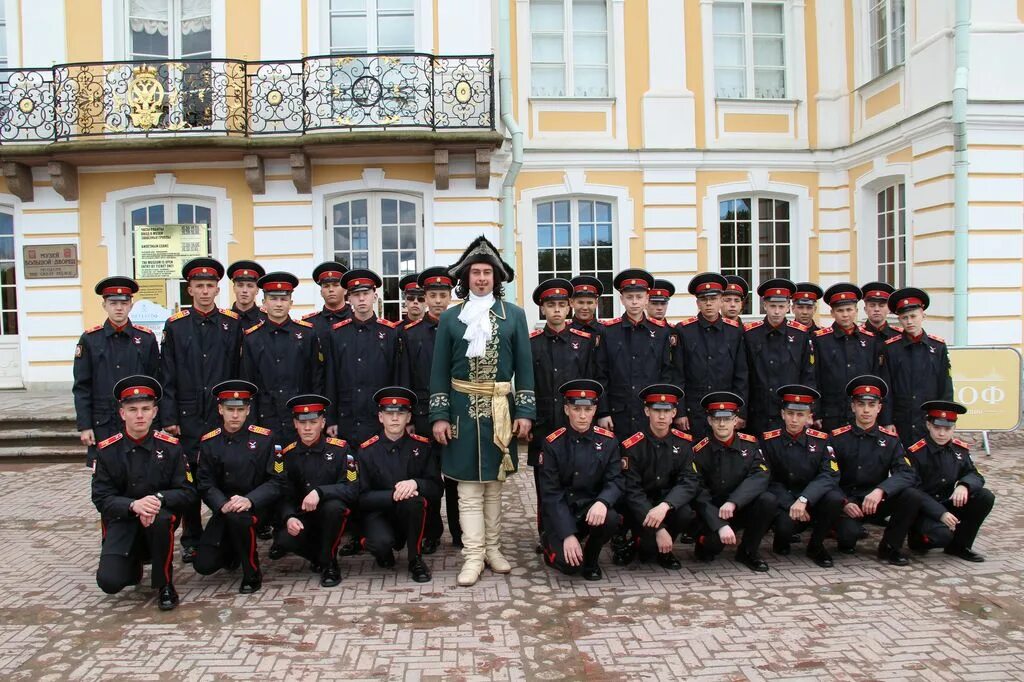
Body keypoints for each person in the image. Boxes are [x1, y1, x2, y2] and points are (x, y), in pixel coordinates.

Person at [428, 235, 536, 587]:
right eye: (475, 272)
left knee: (494, 487)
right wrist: (439, 415)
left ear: (497, 278)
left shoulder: (514, 316)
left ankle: (493, 549)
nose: (481, 278)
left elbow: (525, 368)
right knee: (468, 491)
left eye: (487, 273)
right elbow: (439, 371)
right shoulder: (451, 318)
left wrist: (524, 412)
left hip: (500, 411)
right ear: (466, 278)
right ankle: (472, 555)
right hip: (460, 411)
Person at [160, 257, 243, 563]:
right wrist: (168, 418)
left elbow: (238, 371)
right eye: (199, 286)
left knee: (224, 474)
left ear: (218, 289)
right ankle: (191, 537)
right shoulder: (176, 326)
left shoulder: (230, 324)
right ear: (190, 289)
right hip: (187, 417)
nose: (205, 292)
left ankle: (224, 532)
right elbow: (166, 375)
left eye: (210, 286)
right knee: (190, 480)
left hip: (222, 414)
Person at [91, 375, 197, 611]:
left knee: (160, 521)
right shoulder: (108, 451)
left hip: (158, 519)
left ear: (155, 412)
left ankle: (165, 585)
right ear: (122, 413)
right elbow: (101, 498)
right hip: (123, 520)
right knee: (110, 582)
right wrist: (133, 506)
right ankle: (134, 564)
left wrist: (157, 500)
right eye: (133, 409)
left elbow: (187, 492)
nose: (139, 415)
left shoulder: (170, 447)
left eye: (145, 409)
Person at [528, 278, 602, 544]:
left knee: (576, 476)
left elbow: (592, 381)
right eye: (551, 305)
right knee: (544, 482)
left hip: (576, 424)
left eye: (561, 305)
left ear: (569, 307)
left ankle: (574, 528)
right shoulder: (532, 343)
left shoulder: (583, 342)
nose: (557, 310)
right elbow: (526, 385)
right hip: (544, 424)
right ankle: (547, 534)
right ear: (542, 309)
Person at [194, 380, 283, 594]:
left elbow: (277, 481)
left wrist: (250, 500)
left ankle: (252, 573)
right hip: (225, 507)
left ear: (248, 410)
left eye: (240, 410)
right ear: (220, 409)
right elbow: (204, 482)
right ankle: (234, 551)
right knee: (203, 565)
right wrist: (221, 503)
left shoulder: (265, 439)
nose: (235, 416)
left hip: (258, 505)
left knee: (241, 520)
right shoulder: (209, 442)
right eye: (230, 410)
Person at [399, 266, 461, 552]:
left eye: (443, 294)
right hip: (423, 416)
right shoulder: (410, 334)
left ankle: (461, 532)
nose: (438, 300)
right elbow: (405, 377)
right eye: (433, 295)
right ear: (424, 298)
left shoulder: (462, 328)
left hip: (456, 413)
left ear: (450, 297)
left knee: (457, 477)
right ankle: (432, 531)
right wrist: (409, 418)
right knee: (429, 476)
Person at [829, 375, 922, 566]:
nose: (866, 410)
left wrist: (881, 490)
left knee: (911, 495)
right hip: (848, 503)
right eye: (861, 404)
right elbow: (827, 476)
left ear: (879, 408)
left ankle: (890, 547)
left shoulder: (890, 440)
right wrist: (843, 502)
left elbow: (907, 472)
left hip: (875, 500)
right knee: (847, 540)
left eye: (871, 405)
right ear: (853, 406)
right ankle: (838, 529)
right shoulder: (837, 438)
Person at [539, 379, 622, 581]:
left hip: (590, 510)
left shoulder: (608, 441)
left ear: (595, 410)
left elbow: (616, 480)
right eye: (577, 409)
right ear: (567, 410)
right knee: (569, 567)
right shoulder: (553, 444)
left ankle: (592, 559)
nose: (583, 416)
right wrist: (567, 534)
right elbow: (551, 493)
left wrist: (603, 502)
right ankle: (549, 544)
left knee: (611, 518)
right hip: (562, 512)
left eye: (588, 409)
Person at [271, 394, 357, 587]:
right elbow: (283, 494)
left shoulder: (341, 449)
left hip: (330, 515)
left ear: (323, 422)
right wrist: (288, 517)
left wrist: (320, 492)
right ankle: (319, 557)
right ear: (295, 424)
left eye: (313, 422)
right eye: (303, 423)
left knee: (335, 508)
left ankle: (330, 564)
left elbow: (352, 488)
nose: (308, 428)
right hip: (304, 517)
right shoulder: (287, 455)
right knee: (284, 539)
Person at [355, 387, 440, 582]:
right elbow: (360, 497)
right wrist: (391, 495)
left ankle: (415, 559)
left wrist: (416, 483)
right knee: (381, 544)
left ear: (409, 417)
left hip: (409, 515)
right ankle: (382, 551)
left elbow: (437, 488)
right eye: (389, 413)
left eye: (400, 413)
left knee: (415, 501)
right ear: (380, 417)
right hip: (379, 514)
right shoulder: (366, 451)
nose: (395, 418)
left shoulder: (422, 446)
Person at [74, 276, 159, 467]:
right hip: (103, 422)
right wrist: (85, 425)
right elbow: (82, 387)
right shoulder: (90, 340)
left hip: (139, 421)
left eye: (124, 303)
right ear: (104, 305)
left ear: (131, 305)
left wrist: (157, 422)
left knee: (141, 471)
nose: (119, 308)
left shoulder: (145, 339)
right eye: (113, 303)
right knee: (106, 476)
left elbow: (155, 381)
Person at [615, 384, 699, 569]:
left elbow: (689, 481)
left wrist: (665, 505)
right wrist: (659, 529)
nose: (661, 416)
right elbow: (632, 491)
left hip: (665, 504)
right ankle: (635, 543)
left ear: (674, 413)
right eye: (656, 410)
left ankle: (665, 551)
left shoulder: (684, 443)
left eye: (667, 411)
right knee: (646, 553)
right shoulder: (632, 445)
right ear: (647, 411)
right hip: (639, 508)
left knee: (685, 513)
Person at [690, 391, 775, 572]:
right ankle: (703, 542)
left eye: (727, 419)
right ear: (709, 421)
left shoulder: (750, 444)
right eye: (716, 418)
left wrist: (734, 501)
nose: (722, 424)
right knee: (711, 548)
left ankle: (748, 551)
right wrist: (719, 525)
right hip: (712, 512)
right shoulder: (699, 450)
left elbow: (760, 475)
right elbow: (698, 492)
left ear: (735, 420)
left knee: (767, 500)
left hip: (739, 507)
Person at [760, 385, 843, 568]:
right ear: (782, 414)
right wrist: (792, 503)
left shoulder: (821, 439)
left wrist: (805, 499)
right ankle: (781, 540)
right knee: (784, 528)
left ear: (808, 417)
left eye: (800, 415)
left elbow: (829, 474)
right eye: (790, 413)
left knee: (835, 498)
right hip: (785, 503)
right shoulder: (769, 440)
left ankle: (816, 546)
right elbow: (767, 478)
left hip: (812, 500)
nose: (794, 419)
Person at [240, 271, 324, 447]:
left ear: (291, 303)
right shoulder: (252, 338)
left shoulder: (307, 334)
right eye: (273, 298)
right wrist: (251, 422)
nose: (279, 304)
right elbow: (248, 382)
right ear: (264, 302)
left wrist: (316, 416)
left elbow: (316, 379)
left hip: (300, 418)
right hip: (265, 418)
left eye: (284, 299)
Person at [906, 400, 994, 562]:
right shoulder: (916, 452)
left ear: (954, 428)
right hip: (924, 509)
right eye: (937, 428)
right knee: (941, 537)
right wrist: (941, 514)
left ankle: (960, 546)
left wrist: (964, 485)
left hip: (947, 502)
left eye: (947, 429)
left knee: (985, 496)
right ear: (928, 425)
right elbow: (913, 490)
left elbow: (974, 474)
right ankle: (918, 539)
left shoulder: (959, 450)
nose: (941, 434)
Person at [324, 268, 401, 446]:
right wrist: (331, 418)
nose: (361, 299)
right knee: (349, 470)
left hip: (380, 418)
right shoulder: (337, 333)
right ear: (348, 298)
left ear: (374, 296)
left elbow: (396, 377)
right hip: (347, 417)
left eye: (365, 293)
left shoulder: (390, 332)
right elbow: (331, 378)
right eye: (355, 294)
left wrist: (397, 415)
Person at [597, 269, 675, 439]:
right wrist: (603, 412)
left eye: (639, 297)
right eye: (629, 297)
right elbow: (601, 374)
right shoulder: (608, 331)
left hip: (650, 413)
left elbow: (666, 374)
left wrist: (662, 410)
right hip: (617, 413)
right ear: (622, 299)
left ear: (647, 299)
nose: (634, 302)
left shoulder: (661, 332)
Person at [674, 273, 748, 440]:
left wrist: (741, 412)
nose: (708, 303)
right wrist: (680, 412)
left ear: (721, 300)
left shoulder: (735, 331)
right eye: (703, 299)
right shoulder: (684, 331)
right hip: (694, 412)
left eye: (713, 298)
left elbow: (741, 375)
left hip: (726, 412)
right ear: (697, 302)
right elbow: (678, 374)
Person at [742, 278, 815, 436]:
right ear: (765, 306)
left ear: (788, 307)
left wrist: (809, 409)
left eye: (781, 306)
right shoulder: (750, 334)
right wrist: (742, 412)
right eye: (772, 306)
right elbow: (743, 374)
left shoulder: (800, 334)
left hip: (790, 412)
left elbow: (807, 374)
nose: (776, 311)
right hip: (758, 412)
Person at [882, 288, 953, 448]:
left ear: (923, 316)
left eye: (913, 316)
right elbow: (887, 387)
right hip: (901, 421)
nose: (909, 321)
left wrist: (944, 420)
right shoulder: (891, 348)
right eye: (904, 317)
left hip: (929, 420)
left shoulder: (938, 347)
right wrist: (887, 421)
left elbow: (945, 386)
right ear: (899, 319)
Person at [811, 283, 885, 432]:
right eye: (840, 310)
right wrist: (816, 412)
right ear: (832, 312)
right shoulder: (820, 340)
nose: (845, 314)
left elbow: (876, 376)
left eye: (849, 310)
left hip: (861, 414)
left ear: (856, 311)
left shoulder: (870, 340)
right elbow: (814, 378)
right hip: (830, 414)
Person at [302, 261, 352, 348]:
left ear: (345, 290)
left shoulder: (356, 319)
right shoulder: (309, 323)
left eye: (336, 285)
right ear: (321, 292)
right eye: (326, 286)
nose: (331, 289)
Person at [227, 260, 266, 327]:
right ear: (234, 288)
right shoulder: (223, 319)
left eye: (250, 286)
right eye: (240, 285)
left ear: (257, 290)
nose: (244, 290)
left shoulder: (266, 319)